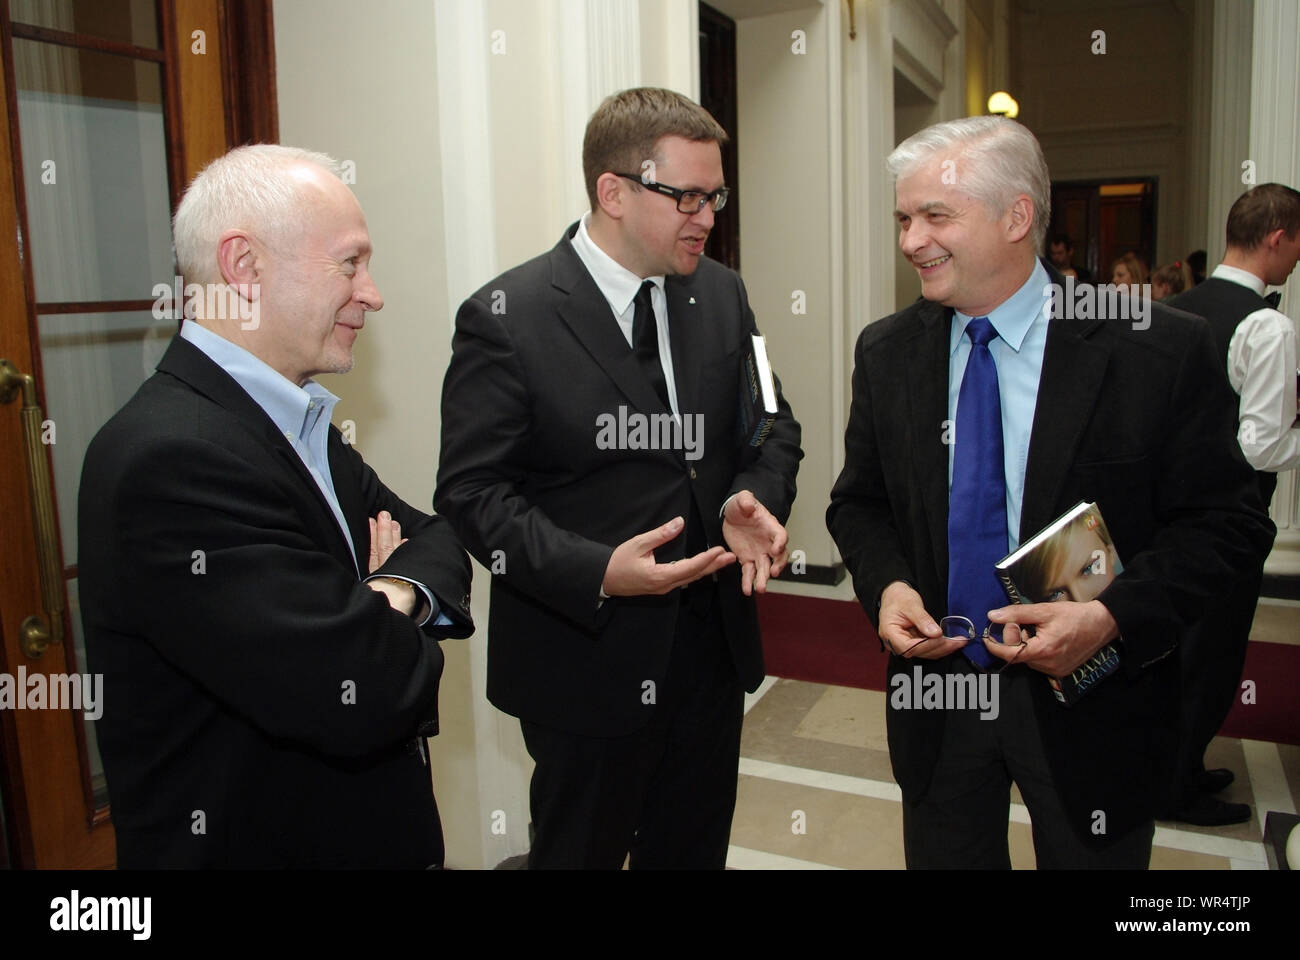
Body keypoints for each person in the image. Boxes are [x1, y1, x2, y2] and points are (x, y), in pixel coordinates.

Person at [826, 116, 1274, 869]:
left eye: (936, 216)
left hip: (1095, 704)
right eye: (904, 217)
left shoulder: (1154, 347)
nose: (911, 240)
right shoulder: (886, 353)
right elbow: (859, 503)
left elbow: (1227, 523)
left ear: (1017, 217)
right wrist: (890, 586)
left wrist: (1109, 618)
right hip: (942, 693)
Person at [434, 87, 802, 869]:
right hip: (585, 660)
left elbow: (771, 422)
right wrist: (597, 570)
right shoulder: (507, 315)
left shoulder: (723, 294)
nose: (708, 217)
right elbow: (472, 495)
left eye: (716, 196)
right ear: (614, 191)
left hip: (709, 652)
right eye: (689, 197)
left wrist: (753, 496)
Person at [79, 145, 474, 868]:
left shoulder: (287, 418)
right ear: (244, 266)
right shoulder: (172, 459)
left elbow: (433, 534)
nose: (373, 293)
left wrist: (379, 598)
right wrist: (392, 607)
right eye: (350, 263)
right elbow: (366, 689)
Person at [1164, 182, 1300, 826]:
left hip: (1169, 513)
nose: (1298, 257)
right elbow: (1261, 447)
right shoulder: (1268, 325)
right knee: (1214, 656)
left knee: (1175, 648)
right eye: (1298, 243)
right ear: (1277, 237)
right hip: (1233, 517)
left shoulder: (1178, 306)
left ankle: (1176, 767)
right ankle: (1176, 785)